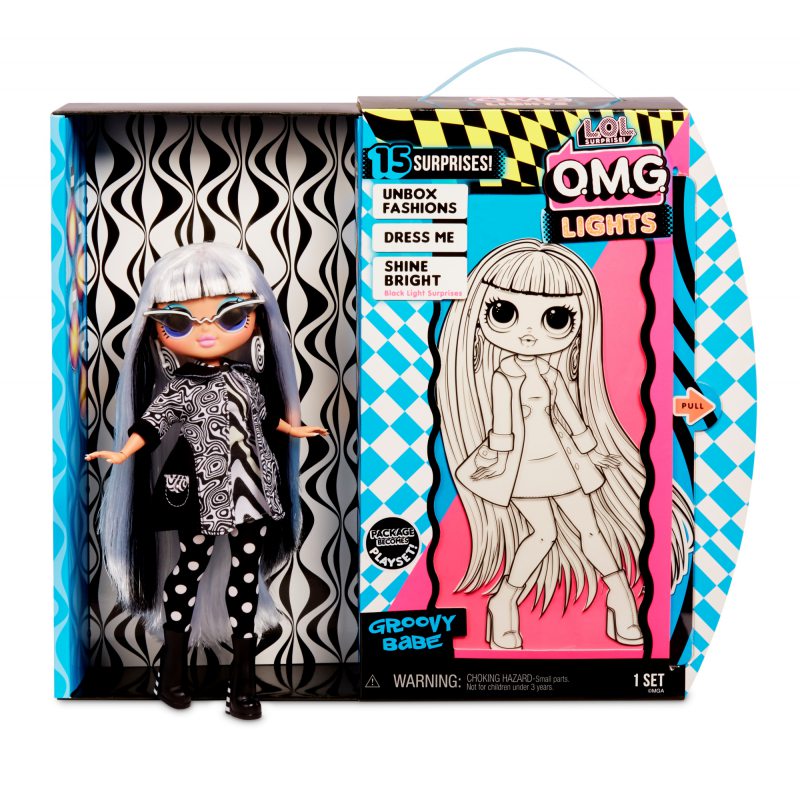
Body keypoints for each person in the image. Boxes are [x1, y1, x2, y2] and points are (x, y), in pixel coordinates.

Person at [86, 242, 327, 718]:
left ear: (256, 320)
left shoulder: (247, 381)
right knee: (187, 570)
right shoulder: (180, 388)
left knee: (245, 579)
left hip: (253, 493)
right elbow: (150, 425)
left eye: (232, 316)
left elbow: (267, 418)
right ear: (156, 333)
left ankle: (243, 683)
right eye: (178, 323)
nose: (207, 331)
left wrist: (296, 429)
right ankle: (173, 670)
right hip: (200, 495)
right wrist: (123, 452)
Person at [437, 238, 692, 650]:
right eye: (504, 313)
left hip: (560, 461)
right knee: (544, 535)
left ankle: (619, 596)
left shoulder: (551, 374)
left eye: (556, 318)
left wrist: (594, 451)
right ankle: (505, 600)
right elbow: (502, 429)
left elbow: (572, 418)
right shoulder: (504, 377)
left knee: (590, 530)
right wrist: (492, 457)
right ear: (479, 317)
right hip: (522, 469)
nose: (528, 333)